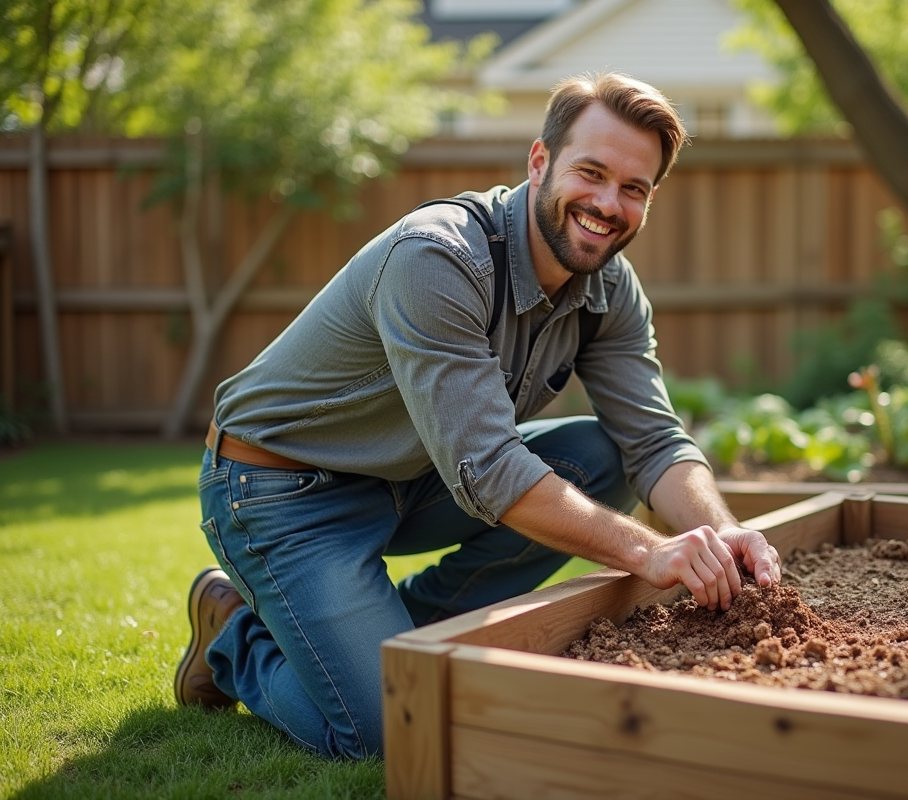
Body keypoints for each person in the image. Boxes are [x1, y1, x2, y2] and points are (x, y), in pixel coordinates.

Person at [175, 70, 780, 759]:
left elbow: (651, 439)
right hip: (283, 493)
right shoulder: (438, 258)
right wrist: (650, 550)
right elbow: (492, 470)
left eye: (634, 189)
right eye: (592, 173)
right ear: (539, 161)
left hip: (414, 473)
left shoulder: (609, 287)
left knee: (598, 458)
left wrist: (726, 531)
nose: (609, 204)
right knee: (386, 733)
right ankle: (235, 636)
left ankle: (394, 637)